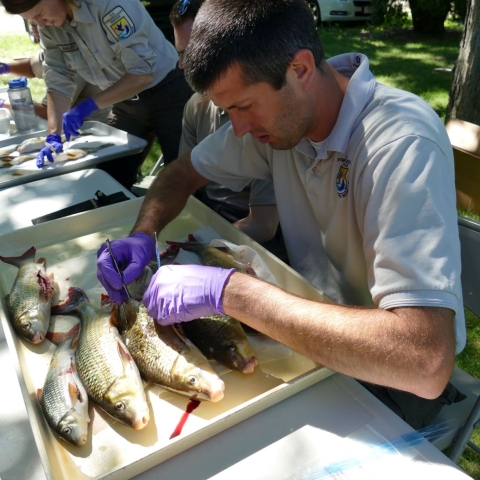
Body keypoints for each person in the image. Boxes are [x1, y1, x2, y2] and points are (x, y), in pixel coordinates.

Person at [97, 0, 466, 428]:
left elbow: (424, 362)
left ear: (301, 70)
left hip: (386, 385)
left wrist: (231, 293)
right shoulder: (281, 121)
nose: (236, 128)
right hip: (307, 345)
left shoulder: (399, 144)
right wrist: (144, 233)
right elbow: (180, 173)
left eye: (243, 106)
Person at [2, 0, 193, 187]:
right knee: (108, 178)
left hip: (169, 90)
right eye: (33, 21)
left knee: (182, 178)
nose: (40, 25)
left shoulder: (107, 5)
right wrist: (54, 134)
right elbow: (58, 78)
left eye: (39, 14)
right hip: (124, 99)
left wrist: (88, 106)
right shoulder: (50, 26)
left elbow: (141, 74)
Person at [170, 0, 288, 259]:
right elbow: (184, 179)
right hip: (212, 221)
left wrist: (196, 247)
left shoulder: (266, 117)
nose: (182, 64)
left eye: (191, 55)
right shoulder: (195, 106)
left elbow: (264, 225)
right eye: (181, 53)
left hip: (256, 243)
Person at [0, 48, 111, 124]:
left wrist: (4, 103)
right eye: (32, 25)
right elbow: (32, 66)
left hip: (87, 129)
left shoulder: (73, 60)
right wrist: (4, 67)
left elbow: (50, 114)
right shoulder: (52, 47)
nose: (37, 29)